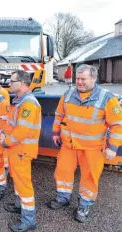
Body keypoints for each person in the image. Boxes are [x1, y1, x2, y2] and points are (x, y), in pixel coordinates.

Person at [48, 64, 122, 223]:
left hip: (92, 149)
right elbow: (59, 115)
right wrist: (55, 132)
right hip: (69, 145)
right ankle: (63, 197)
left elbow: (116, 125)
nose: (79, 82)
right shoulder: (68, 94)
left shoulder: (107, 98)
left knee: (90, 178)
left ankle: (84, 205)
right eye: (77, 78)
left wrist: (113, 147)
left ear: (94, 79)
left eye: (83, 79)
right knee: (63, 173)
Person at [0, 70, 41, 232]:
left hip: (21, 151)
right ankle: (19, 206)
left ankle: (29, 220)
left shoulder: (28, 103)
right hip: (15, 150)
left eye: (12, 81)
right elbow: (11, 125)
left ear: (22, 83)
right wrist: (3, 135)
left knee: (24, 185)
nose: (8, 84)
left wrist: (5, 141)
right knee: (17, 180)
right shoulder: (18, 101)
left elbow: (22, 131)